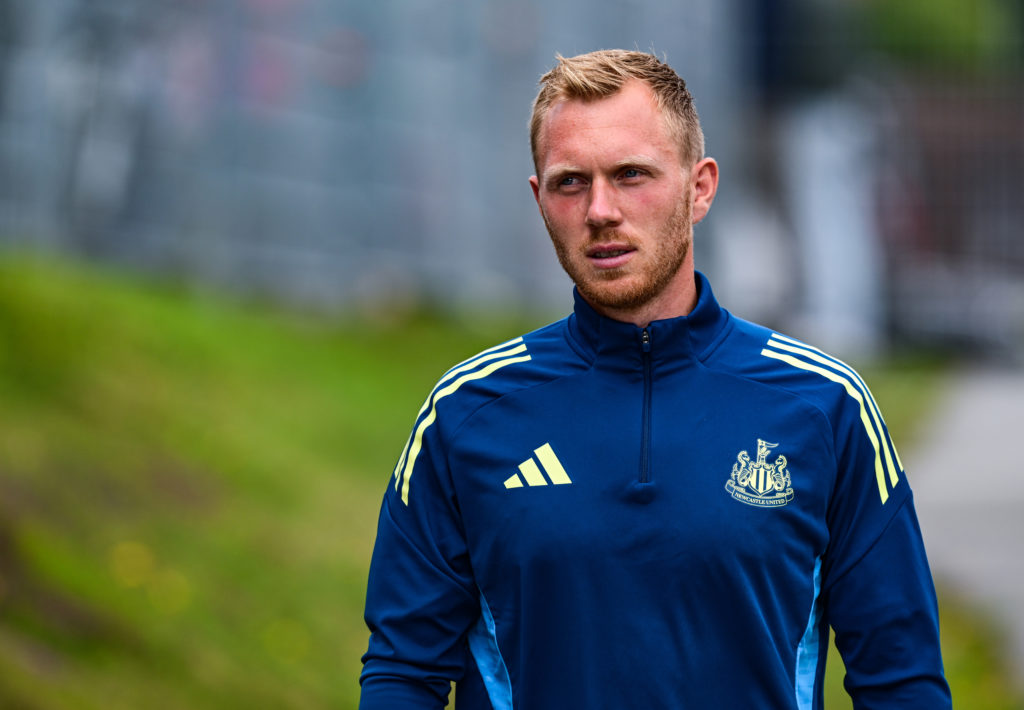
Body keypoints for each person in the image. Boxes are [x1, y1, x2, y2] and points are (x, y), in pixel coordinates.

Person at [359, 49, 951, 709]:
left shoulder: (825, 408)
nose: (601, 210)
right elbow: (402, 671)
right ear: (539, 198)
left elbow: (902, 682)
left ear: (700, 187)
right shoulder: (466, 414)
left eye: (631, 174)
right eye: (570, 182)